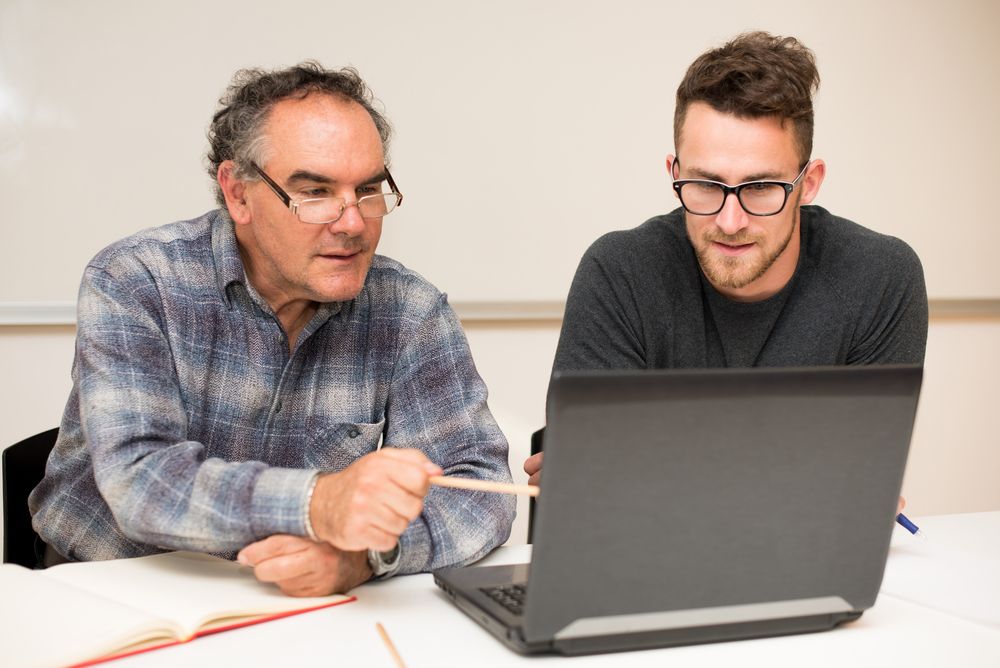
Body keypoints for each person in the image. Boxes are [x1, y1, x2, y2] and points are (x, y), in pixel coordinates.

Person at [29, 62, 515, 596]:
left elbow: (480, 489)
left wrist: (367, 558)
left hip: (294, 603)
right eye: (315, 192)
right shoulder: (136, 280)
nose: (353, 222)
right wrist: (318, 502)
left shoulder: (410, 310)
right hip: (109, 590)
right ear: (238, 193)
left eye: (369, 189)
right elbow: (142, 479)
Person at [524, 32, 927, 488]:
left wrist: (644, 462)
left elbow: (860, 480)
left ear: (809, 182)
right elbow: (590, 486)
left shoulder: (879, 276)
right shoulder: (620, 271)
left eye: (760, 188)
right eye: (706, 185)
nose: (730, 221)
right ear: (674, 173)